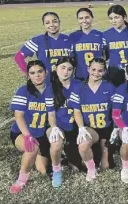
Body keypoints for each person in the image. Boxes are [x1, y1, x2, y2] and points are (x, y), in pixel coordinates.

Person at [9, 60, 57, 193]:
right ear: (28, 75)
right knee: (31, 148)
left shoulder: (50, 91)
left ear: (46, 73)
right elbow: (18, 116)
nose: (37, 75)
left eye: (40, 71)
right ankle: (21, 180)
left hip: (41, 134)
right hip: (22, 132)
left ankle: (36, 155)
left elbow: (52, 115)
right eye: (33, 73)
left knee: (42, 169)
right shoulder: (23, 90)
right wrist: (27, 136)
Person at [68, 58, 116, 182]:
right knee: (83, 145)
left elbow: (116, 110)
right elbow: (76, 110)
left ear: (104, 72)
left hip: (106, 129)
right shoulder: (79, 88)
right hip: (90, 128)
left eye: (100, 70)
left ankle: (102, 155)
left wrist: (117, 128)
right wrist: (81, 128)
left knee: (106, 166)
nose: (96, 73)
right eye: (93, 69)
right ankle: (91, 169)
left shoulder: (110, 87)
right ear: (88, 69)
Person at [49, 57, 84, 185]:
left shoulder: (80, 85)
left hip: (76, 126)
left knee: (81, 165)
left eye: (69, 69)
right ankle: (57, 171)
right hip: (59, 126)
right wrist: (53, 127)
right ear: (56, 68)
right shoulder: (49, 87)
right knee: (55, 143)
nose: (66, 72)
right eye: (63, 68)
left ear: (73, 70)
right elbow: (50, 113)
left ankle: (69, 155)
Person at [14, 12, 72, 78]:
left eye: (54, 21)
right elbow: (18, 57)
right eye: (47, 23)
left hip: (65, 81)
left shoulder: (68, 39)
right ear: (44, 24)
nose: (51, 25)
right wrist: (28, 72)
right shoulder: (38, 40)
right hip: (46, 82)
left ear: (59, 22)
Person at [103, 5, 128, 87]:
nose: (113, 21)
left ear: (124, 17)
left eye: (116, 17)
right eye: (111, 18)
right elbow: (105, 56)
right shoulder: (106, 35)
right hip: (113, 73)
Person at [70, 8, 104, 81]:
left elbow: (106, 56)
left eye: (87, 17)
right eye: (81, 18)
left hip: (98, 77)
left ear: (92, 18)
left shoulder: (101, 35)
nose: (84, 21)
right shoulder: (73, 37)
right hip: (80, 77)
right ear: (78, 20)